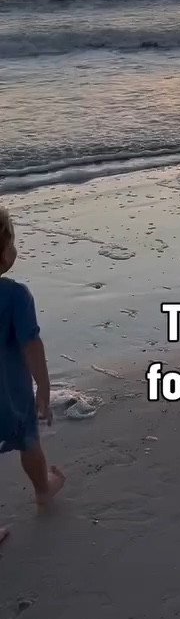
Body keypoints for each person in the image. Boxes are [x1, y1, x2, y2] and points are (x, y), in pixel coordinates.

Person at [0, 207, 65, 544]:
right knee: (29, 442)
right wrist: (43, 386)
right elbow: (31, 344)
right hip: (9, 395)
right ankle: (43, 489)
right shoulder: (14, 295)